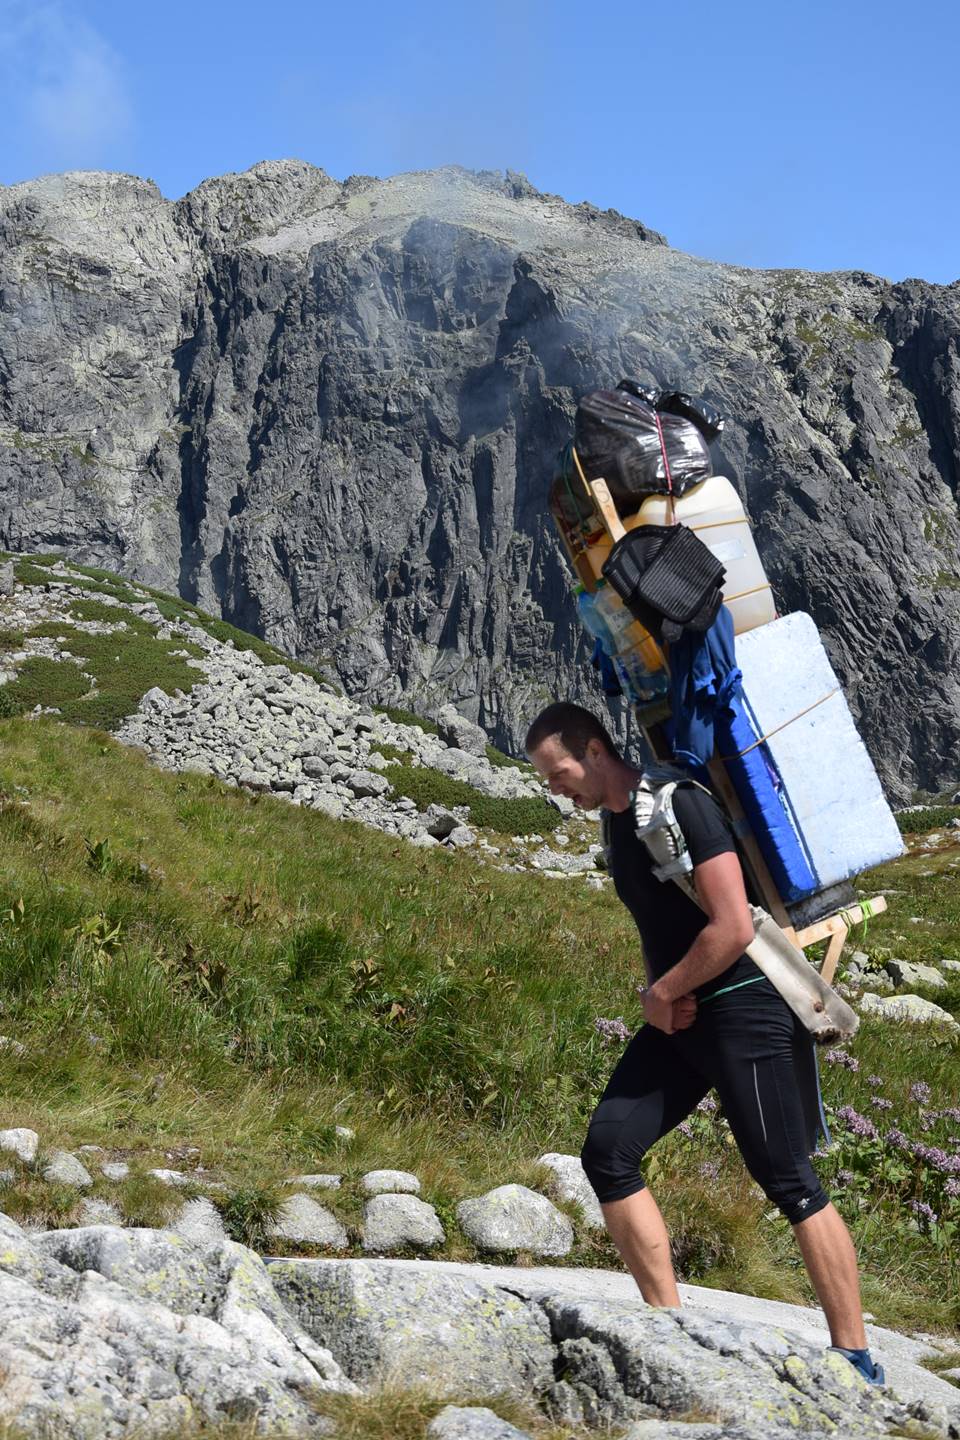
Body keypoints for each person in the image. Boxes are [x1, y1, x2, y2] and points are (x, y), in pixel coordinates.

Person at [524, 701, 884, 1387]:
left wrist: (663, 991)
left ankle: (856, 1358)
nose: (556, 788)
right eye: (548, 780)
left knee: (789, 1181)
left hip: (746, 1011)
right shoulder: (615, 817)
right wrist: (664, 994)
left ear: (596, 751)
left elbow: (731, 927)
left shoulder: (679, 804)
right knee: (608, 1150)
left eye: (560, 772)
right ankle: (670, 1328)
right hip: (685, 1018)